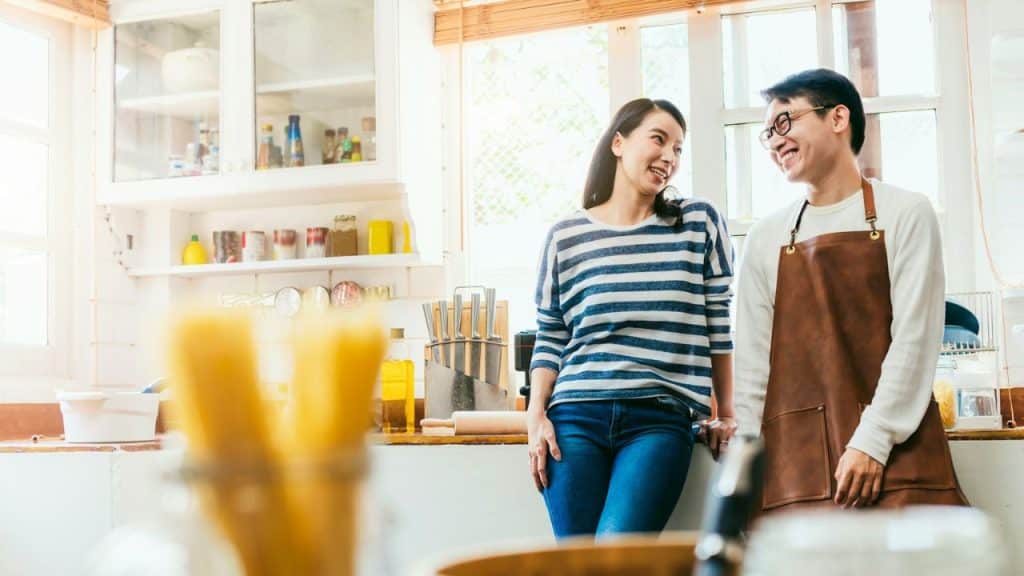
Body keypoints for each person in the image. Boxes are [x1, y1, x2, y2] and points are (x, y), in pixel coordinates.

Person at [734, 68, 968, 512]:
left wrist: (873, 440)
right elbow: (751, 366)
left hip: (896, 449)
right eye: (767, 134)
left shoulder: (907, 213)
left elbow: (915, 341)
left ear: (838, 118)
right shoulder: (765, 237)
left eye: (785, 122)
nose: (775, 141)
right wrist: (744, 462)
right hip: (793, 460)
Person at [527, 98, 736, 538]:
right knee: (580, 567)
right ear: (618, 143)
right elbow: (552, 336)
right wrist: (536, 416)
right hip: (574, 417)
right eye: (658, 139)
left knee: (617, 557)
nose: (670, 158)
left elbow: (718, 323)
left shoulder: (698, 223)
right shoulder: (567, 237)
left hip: (659, 418)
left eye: (679, 149)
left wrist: (726, 410)